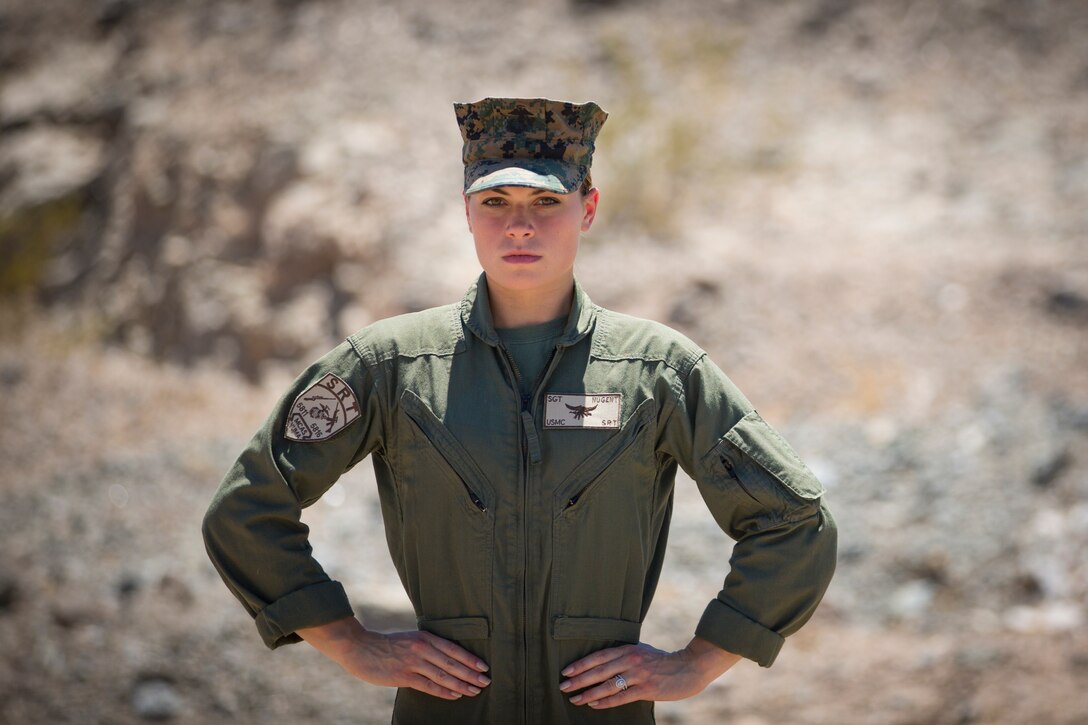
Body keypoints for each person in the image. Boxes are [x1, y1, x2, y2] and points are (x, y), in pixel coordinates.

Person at [202, 97, 837, 724]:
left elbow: (793, 521)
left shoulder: (657, 370)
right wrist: (350, 643)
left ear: (588, 208)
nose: (520, 226)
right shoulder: (391, 366)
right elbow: (246, 510)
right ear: (467, 212)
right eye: (495, 203)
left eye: (547, 203)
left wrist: (698, 663)